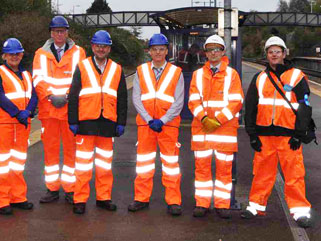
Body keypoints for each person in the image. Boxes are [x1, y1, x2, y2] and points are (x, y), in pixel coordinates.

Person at [241, 36, 312, 228]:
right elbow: (251, 107)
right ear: (266, 55)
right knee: (261, 173)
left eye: (277, 51)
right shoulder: (260, 78)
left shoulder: (296, 76)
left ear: (284, 53)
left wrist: (299, 133)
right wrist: (252, 134)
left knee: (294, 175)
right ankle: (255, 206)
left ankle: (300, 211)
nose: (274, 54)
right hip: (264, 136)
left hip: (289, 136)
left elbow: (305, 107)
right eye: (270, 51)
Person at [68, 30, 127, 214]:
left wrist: (121, 122)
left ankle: (104, 198)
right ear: (92, 47)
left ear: (109, 48)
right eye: (98, 45)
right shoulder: (82, 66)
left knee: (104, 164)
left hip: (108, 123)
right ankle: (80, 199)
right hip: (86, 122)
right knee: (83, 165)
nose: (101, 49)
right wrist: (73, 120)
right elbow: (73, 95)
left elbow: (122, 98)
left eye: (104, 46)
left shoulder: (117, 69)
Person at [128, 33, 184, 216]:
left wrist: (163, 120)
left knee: (171, 164)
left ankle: (174, 201)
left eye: (161, 49)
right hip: (146, 125)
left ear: (167, 51)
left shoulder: (176, 72)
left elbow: (179, 101)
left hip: (168, 126)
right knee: (144, 164)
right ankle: (141, 198)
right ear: (149, 52)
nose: (158, 53)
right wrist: (149, 119)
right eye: (154, 49)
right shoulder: (141, 71)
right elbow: (136, 98)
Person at [188, 34, 244, 219]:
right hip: (203, 130)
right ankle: (202, 203)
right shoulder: (197, 75)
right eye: (210, 50)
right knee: (202, 169)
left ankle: (222, 204)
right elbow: (193, 100)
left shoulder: (231, 74)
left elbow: (236, 101)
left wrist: (217, 120)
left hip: (223, 131)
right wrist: (204, 118)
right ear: (205, 53)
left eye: (217, 49)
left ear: (223, 52)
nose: (213, 53)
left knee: (224, 170)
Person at [32, 16, 86, 204]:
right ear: (51, 33)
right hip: (49, 110)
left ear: (67, 32)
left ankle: (71, 189)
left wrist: (67, 97)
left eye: (62, 31)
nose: (59, 34)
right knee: (50, 151)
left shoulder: (79, 53)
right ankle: (52, 189)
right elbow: (37, 79)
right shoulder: (40, 54)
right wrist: (49, 96)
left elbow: (81, 79)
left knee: (72, 151)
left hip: (70, 110)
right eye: (56, 31)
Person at [0, 38, 37, 215]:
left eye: (17, 53)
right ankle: (2, 201)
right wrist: (18, 112)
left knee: (17, 163)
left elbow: (34, 96)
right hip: (2, 124)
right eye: (10, 54)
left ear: (22, 54)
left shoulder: (26, 74)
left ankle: (18, 197)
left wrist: (29, 111)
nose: (14, 56)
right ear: (4, 55)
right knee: (2, 164)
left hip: (22, 125)